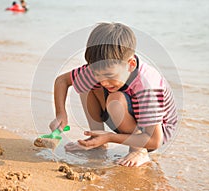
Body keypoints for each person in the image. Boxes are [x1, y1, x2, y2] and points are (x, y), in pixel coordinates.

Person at [49, 23, 177, 167]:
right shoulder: (102, 69)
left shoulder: (147, 86)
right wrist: (61, 114)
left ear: (131, 64)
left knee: (115, 100)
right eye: (98, 75)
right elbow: (62, 81)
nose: (103, 82)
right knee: (85, 83)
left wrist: (109, 137)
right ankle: (95, 140)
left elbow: (155, 140)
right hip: (125, 117)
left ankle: (139, 151)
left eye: (110, 75)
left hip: (154, 132)